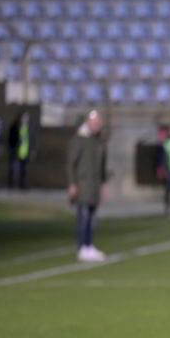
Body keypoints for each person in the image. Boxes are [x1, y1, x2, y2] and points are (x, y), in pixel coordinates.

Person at [67, 109, 109, 263]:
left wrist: (103, 184)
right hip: (83, 184)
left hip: (94, 185)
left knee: (92, 218)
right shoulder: (79, 139)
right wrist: (72, 183)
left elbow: (101, 166)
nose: (98, 125)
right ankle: (82, 247)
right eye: (96, 122)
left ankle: (89, 245)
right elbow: (71, 163)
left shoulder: (98, 141)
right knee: (83, 217)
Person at [7, 110, 34, 190]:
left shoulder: (29, 128)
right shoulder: (15, 126)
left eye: (27, 118)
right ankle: (13, 185)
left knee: (24, 170)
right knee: (14, 169)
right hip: (16, 151)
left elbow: (32, 140)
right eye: (24, 118)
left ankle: (23, 185)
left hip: (25, 152)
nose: (25, 119)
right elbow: (11, 139)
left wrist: (32, 150)